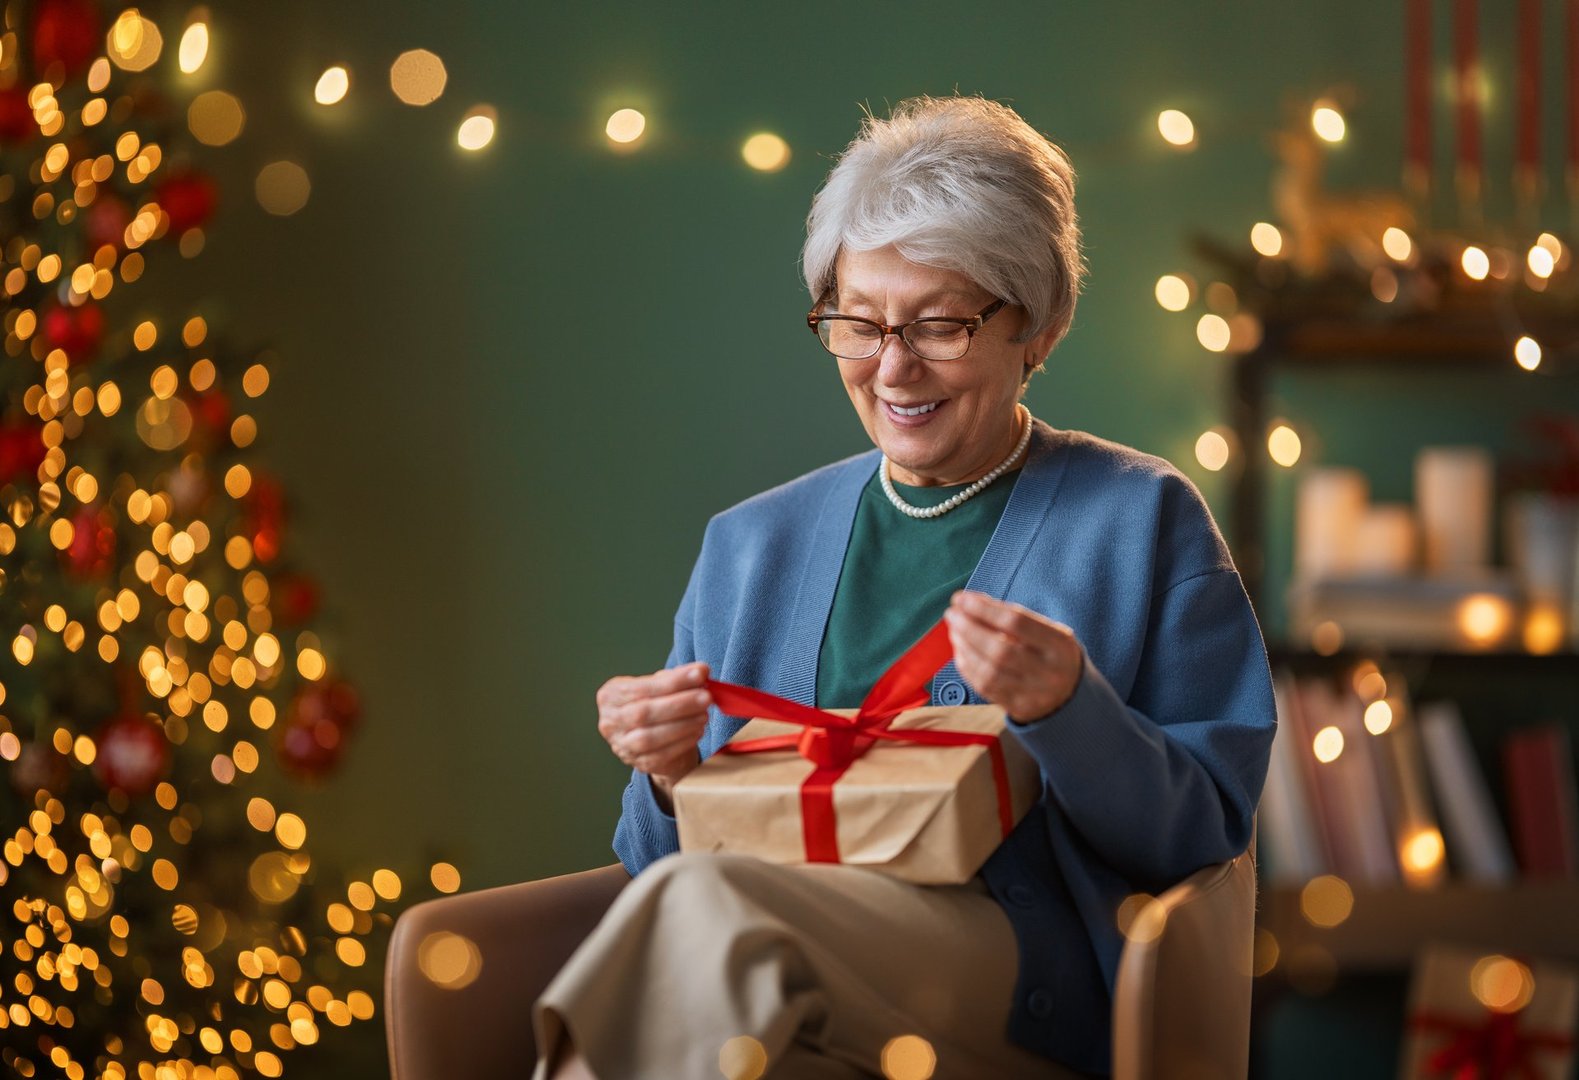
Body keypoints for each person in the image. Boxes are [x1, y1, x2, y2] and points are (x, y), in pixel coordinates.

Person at [531, 94, 1276, 1080]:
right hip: (767, 994)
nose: (891, 367)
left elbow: (1203, 837)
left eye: (939, 324)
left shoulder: (1142, 520)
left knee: (707, 915)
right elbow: (646, 867)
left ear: (1037, 326)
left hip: (1016, 989)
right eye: (857, 321)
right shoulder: (749, 545)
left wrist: (1068, 710)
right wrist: (665, 776)